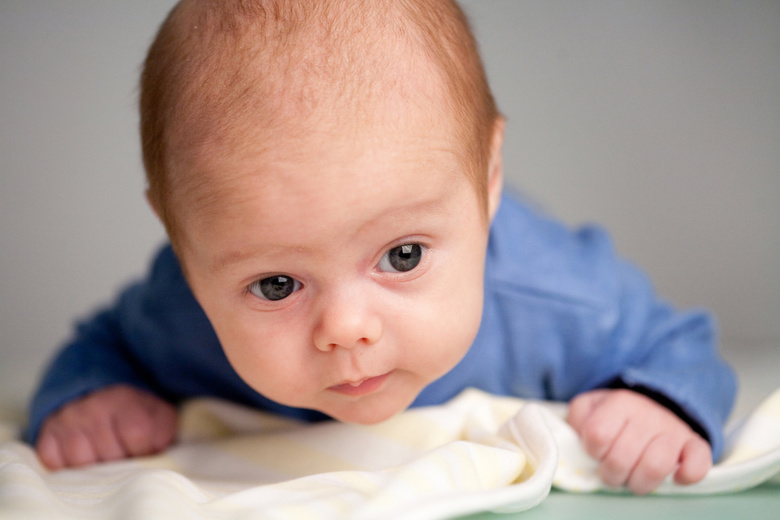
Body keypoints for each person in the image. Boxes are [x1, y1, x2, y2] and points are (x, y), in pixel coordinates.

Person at [27, 0, 735, 495]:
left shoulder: (555, 300)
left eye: (402, 256)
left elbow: (678, 345)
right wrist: (92, 395)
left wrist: (658, 404)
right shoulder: (180, 312)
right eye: (277, 285)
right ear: (184, 247)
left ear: (489, 182)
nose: (346, 330)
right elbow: (105, 342)